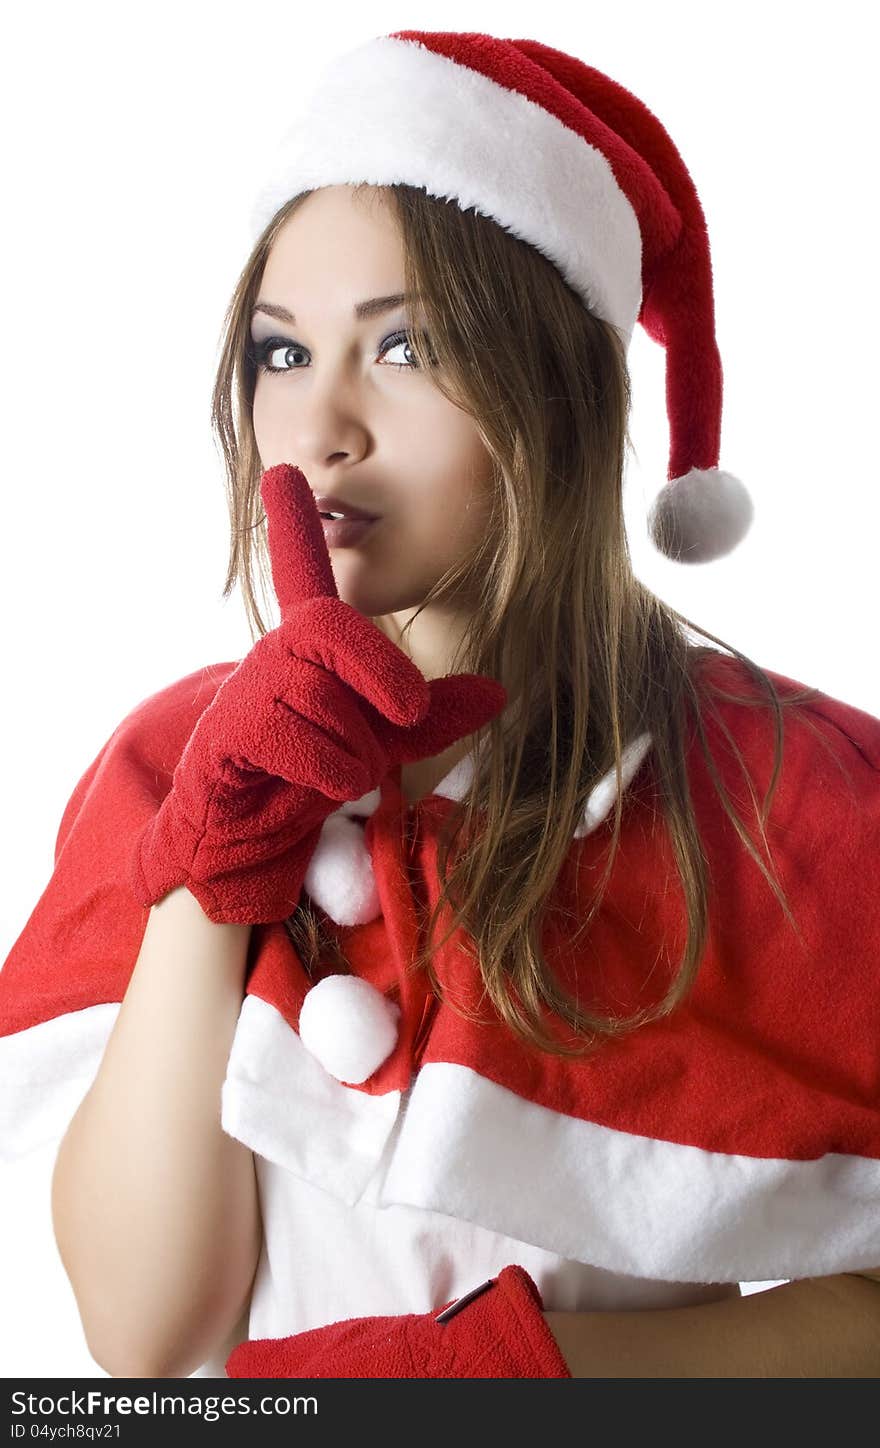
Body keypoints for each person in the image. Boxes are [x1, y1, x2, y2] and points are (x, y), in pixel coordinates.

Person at [1, 27, 879, 1380]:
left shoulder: (784, 791)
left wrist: (518, 1381)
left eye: (404, 347)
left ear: (558, 396)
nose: (321, 425)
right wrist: (210, 869)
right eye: (279, 355)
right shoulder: (170, 763)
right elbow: (147, 1343)